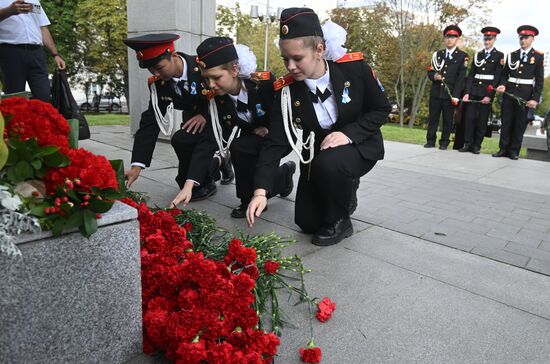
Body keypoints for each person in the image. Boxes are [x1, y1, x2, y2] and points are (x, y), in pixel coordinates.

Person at [247, 8, 391, 246]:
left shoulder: (355, 70)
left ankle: (341, 221)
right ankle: (340, 190)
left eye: (297, 58)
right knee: (308, 223)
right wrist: (260, 191)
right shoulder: (286, 92)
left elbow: (381, 109)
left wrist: (347, 134)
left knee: (332, 164)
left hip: (358, 146)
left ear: (319, 50)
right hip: (317, 157)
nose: (290, 66)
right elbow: (275, 142)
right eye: (285, 59)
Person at [171, 37, 296, 218]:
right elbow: (209, 139)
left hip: (278, 138)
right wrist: (190, 184)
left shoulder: (265, 84)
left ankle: (279, 177)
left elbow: (283, 116)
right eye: (207, 79)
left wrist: (268, 128)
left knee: (252, 156)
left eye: (216, 77)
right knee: (239, 146)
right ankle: (251, 198)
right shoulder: (217, 99)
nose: (211, 85)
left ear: (235, 70)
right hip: (250, 140)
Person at [123, 33, 233, 199]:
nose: (156, 73)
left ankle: (206, 180)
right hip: (192, 121)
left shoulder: (203, 65)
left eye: (159, 68)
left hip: (220, 118)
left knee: (198, 164)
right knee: (180, 142)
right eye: (151, 69)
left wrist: (205, 115)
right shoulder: (160, 84)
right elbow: (150, 122)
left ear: (173, 56)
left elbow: (228, 93)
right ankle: (217, 163)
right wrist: (136, 167)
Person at [493, 25, 544, 160]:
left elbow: (539, 81)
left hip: (525, 95)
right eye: (521, 37)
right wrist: (503, 85)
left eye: (526, 37)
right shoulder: (512, 55)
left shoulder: (538, 57)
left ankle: (514, 151)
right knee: (506, 121)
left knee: (519, 123)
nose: (523, 40)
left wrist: (535, 98)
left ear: (532, 39)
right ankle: (503, 149)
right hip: (509, 93)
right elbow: (504, 75)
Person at [0, 0, 65, 101]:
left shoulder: (34, 1)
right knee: (15, 99)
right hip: (11, 52)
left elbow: (43, 27)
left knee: (44, 97)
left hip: (36, 52)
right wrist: (10, 11)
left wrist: (55, 54)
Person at [461, 26, 504, 154]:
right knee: (469, 119)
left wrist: (489, 95)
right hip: (474, 90)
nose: (487, 42)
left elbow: (497, 77)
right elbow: (470, 75)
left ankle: (476, 146)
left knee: (482, 121)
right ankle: (467, 143)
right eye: (485, 39)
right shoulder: (478, 55)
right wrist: (467, 93)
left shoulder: (499, 55)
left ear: (494, 39)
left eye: (489, 39)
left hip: (486, 91)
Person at [425, 25, 468, 150]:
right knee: (433, 118)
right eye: (448, 37)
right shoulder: (437, 54)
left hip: (450, 94)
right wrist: (434, 76)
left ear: (457, 39)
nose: (450, 40)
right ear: (445, 39)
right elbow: (430, 71)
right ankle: (430, 140)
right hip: (436, 92)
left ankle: (444, 142)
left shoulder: (462, 56)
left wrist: (455, 95)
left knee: (448, 119)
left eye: (453, 37)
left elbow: (461, 79)